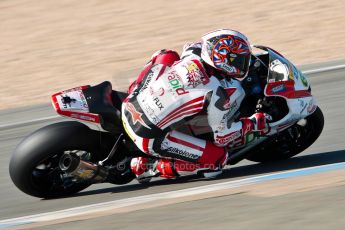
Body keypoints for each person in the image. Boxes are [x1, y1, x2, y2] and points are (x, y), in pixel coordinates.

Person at [122, 29, 270, 179]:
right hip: (147, 135)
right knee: (217, 160)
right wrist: (252, 123)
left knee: (166, 55)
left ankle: (135, 87)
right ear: (223, 61)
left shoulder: (194, 52)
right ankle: (148, 167)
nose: (244, 64)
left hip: (129, 103)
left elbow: (191, 46)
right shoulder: (216, 94)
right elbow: (222, 137)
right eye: (239, 60)